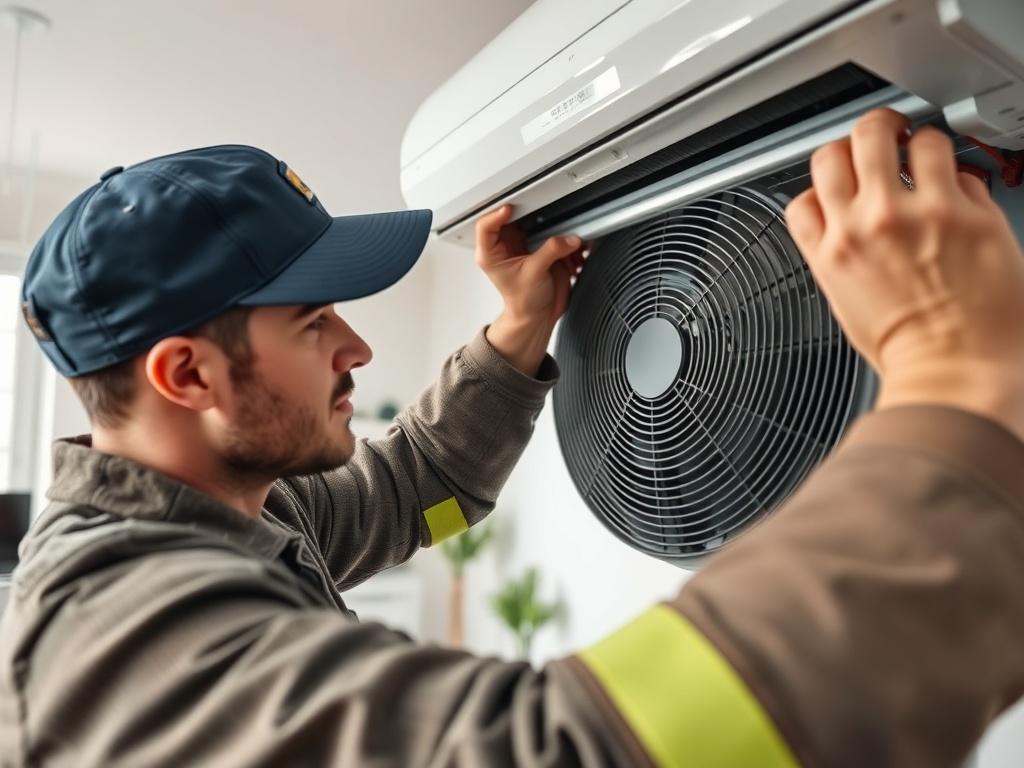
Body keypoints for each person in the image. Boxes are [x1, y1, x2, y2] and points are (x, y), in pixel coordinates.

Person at [0, 107, 1021, 767]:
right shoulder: (121, 640)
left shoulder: (223, 510)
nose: (356, 347)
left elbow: (415, 488)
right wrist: (955, 382)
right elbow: (567, 754)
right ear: (188, 375)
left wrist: (519, 329)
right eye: (314, 325)